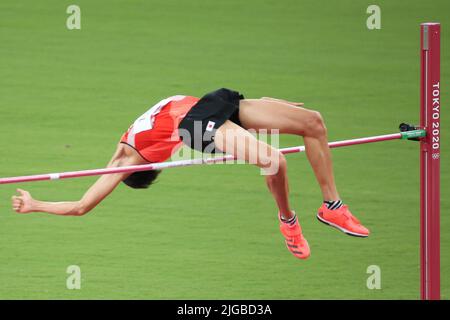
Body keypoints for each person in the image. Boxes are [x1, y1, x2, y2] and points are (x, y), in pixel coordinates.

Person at [11, 88, 369, 260]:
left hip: (212, 104)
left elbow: (83, 202)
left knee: (312, 122)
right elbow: (81, 206)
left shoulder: (127, 150)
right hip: (196, 124)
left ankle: (332, 205)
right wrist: (34, 203)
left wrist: (264, 103)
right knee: (274, 159)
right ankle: (288, 221)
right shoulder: (122, 165)